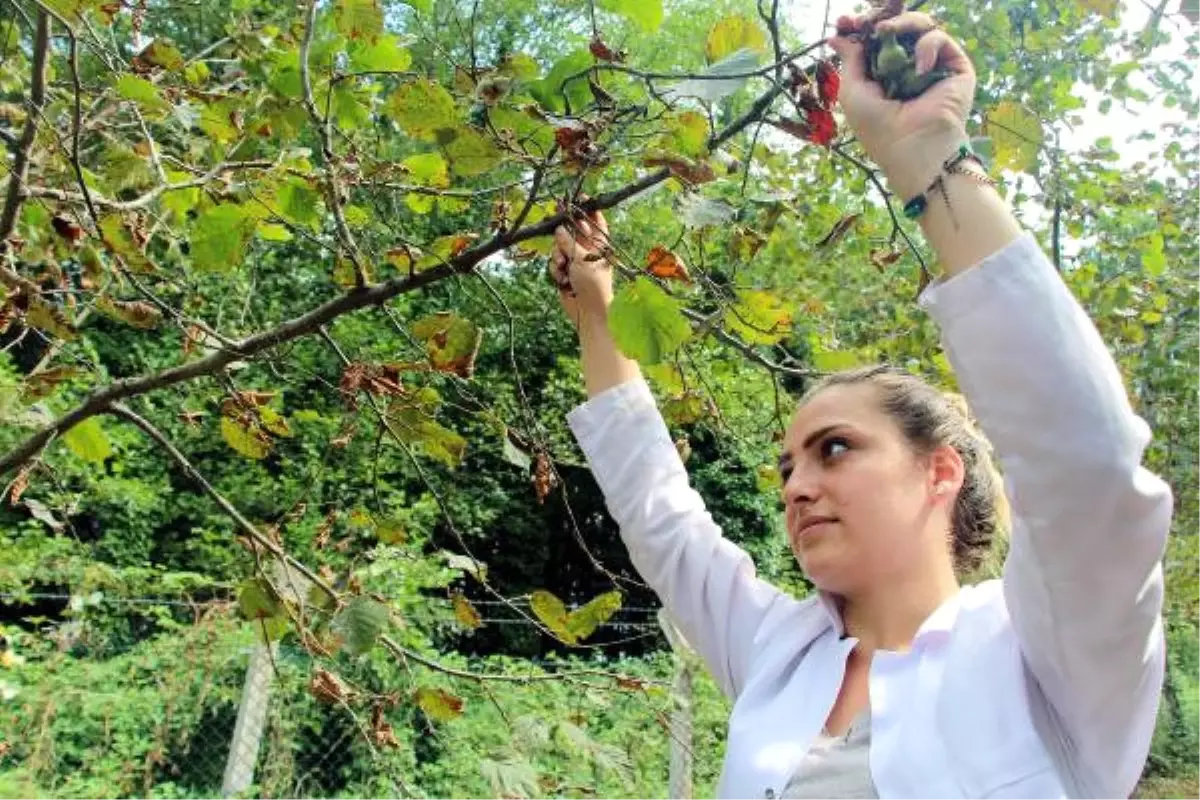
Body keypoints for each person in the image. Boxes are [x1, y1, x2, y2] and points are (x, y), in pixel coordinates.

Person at [548, 10, 1174, 800]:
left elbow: (1089, 467)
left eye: (835, 448)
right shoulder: (777, 655)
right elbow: (659, 516)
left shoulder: (1045, 657)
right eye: (788, 466)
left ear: (939, 471)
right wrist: (601, 322)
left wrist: (926, 157)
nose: (796, 486)